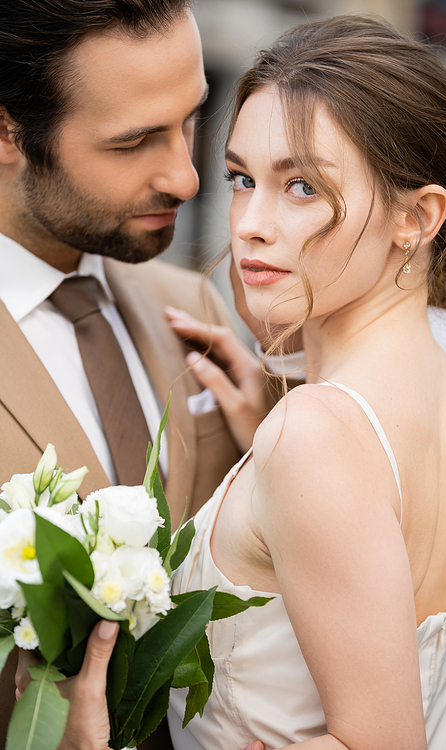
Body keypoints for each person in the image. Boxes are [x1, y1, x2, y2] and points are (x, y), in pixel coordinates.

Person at [16, 12, 446, 750]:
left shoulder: (315, 436)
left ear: (419, 216)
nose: (248, 223)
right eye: (242, 177)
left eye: (302, 186)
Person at [0, 1, 270, 747]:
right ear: (6, 131)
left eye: (189, 120)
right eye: (135, 141)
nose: (187, 176)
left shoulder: (196, 309)